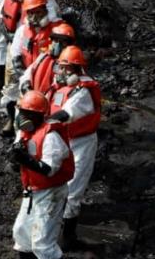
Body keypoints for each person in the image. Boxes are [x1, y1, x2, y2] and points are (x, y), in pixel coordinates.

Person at [46, 46, 101, 251]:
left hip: (81, 143)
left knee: (73, 189)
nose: (61, 72)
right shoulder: (57, 85)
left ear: (76, 71)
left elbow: (67, 113)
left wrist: (45, 122)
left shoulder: (83, 92)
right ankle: (51, 225)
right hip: (61, 139)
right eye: (60, 67)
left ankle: (67, 237)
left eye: (66, 69)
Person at [10, 90, 74, 259]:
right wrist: (16, 158)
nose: (22, 118)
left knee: (43, 243)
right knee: (22, 232)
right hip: (33, 190)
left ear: (38, 115)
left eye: (26, 114)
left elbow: (49, 170)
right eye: (21, 113)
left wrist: (25, 160)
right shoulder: (25, 133)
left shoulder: (51, 137)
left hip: (51, 192)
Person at [0, 0, 67, 138]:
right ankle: (14, 124)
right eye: (30, 13)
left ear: (45, 10)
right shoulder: (22, 31)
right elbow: (16, 55)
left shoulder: (57, 29)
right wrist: (25, 80)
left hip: (49, 77)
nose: (34, 17)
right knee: (14, 99)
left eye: (38, 12)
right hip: (28, 76)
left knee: (49, 110)